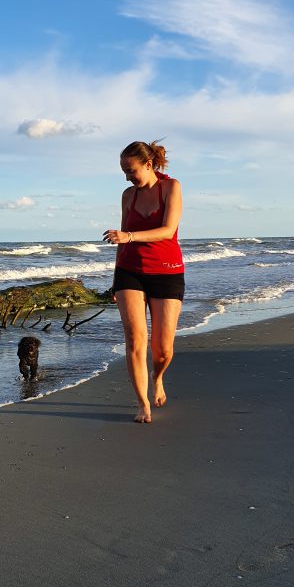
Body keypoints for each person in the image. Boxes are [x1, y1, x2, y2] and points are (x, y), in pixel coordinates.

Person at [103, 140, 184, 423]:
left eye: (131, 170)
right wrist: (116, 280)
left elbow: (167, 230)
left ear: (148, 165)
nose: (127, 177)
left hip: (167, 270)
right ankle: (142, 404)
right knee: (136, 339)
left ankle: (157, 377)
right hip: (130, 271)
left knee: (163, 350)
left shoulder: (171, 187)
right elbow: (121, 241)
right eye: (124, 172)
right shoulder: (128, 196)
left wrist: (130, 236)